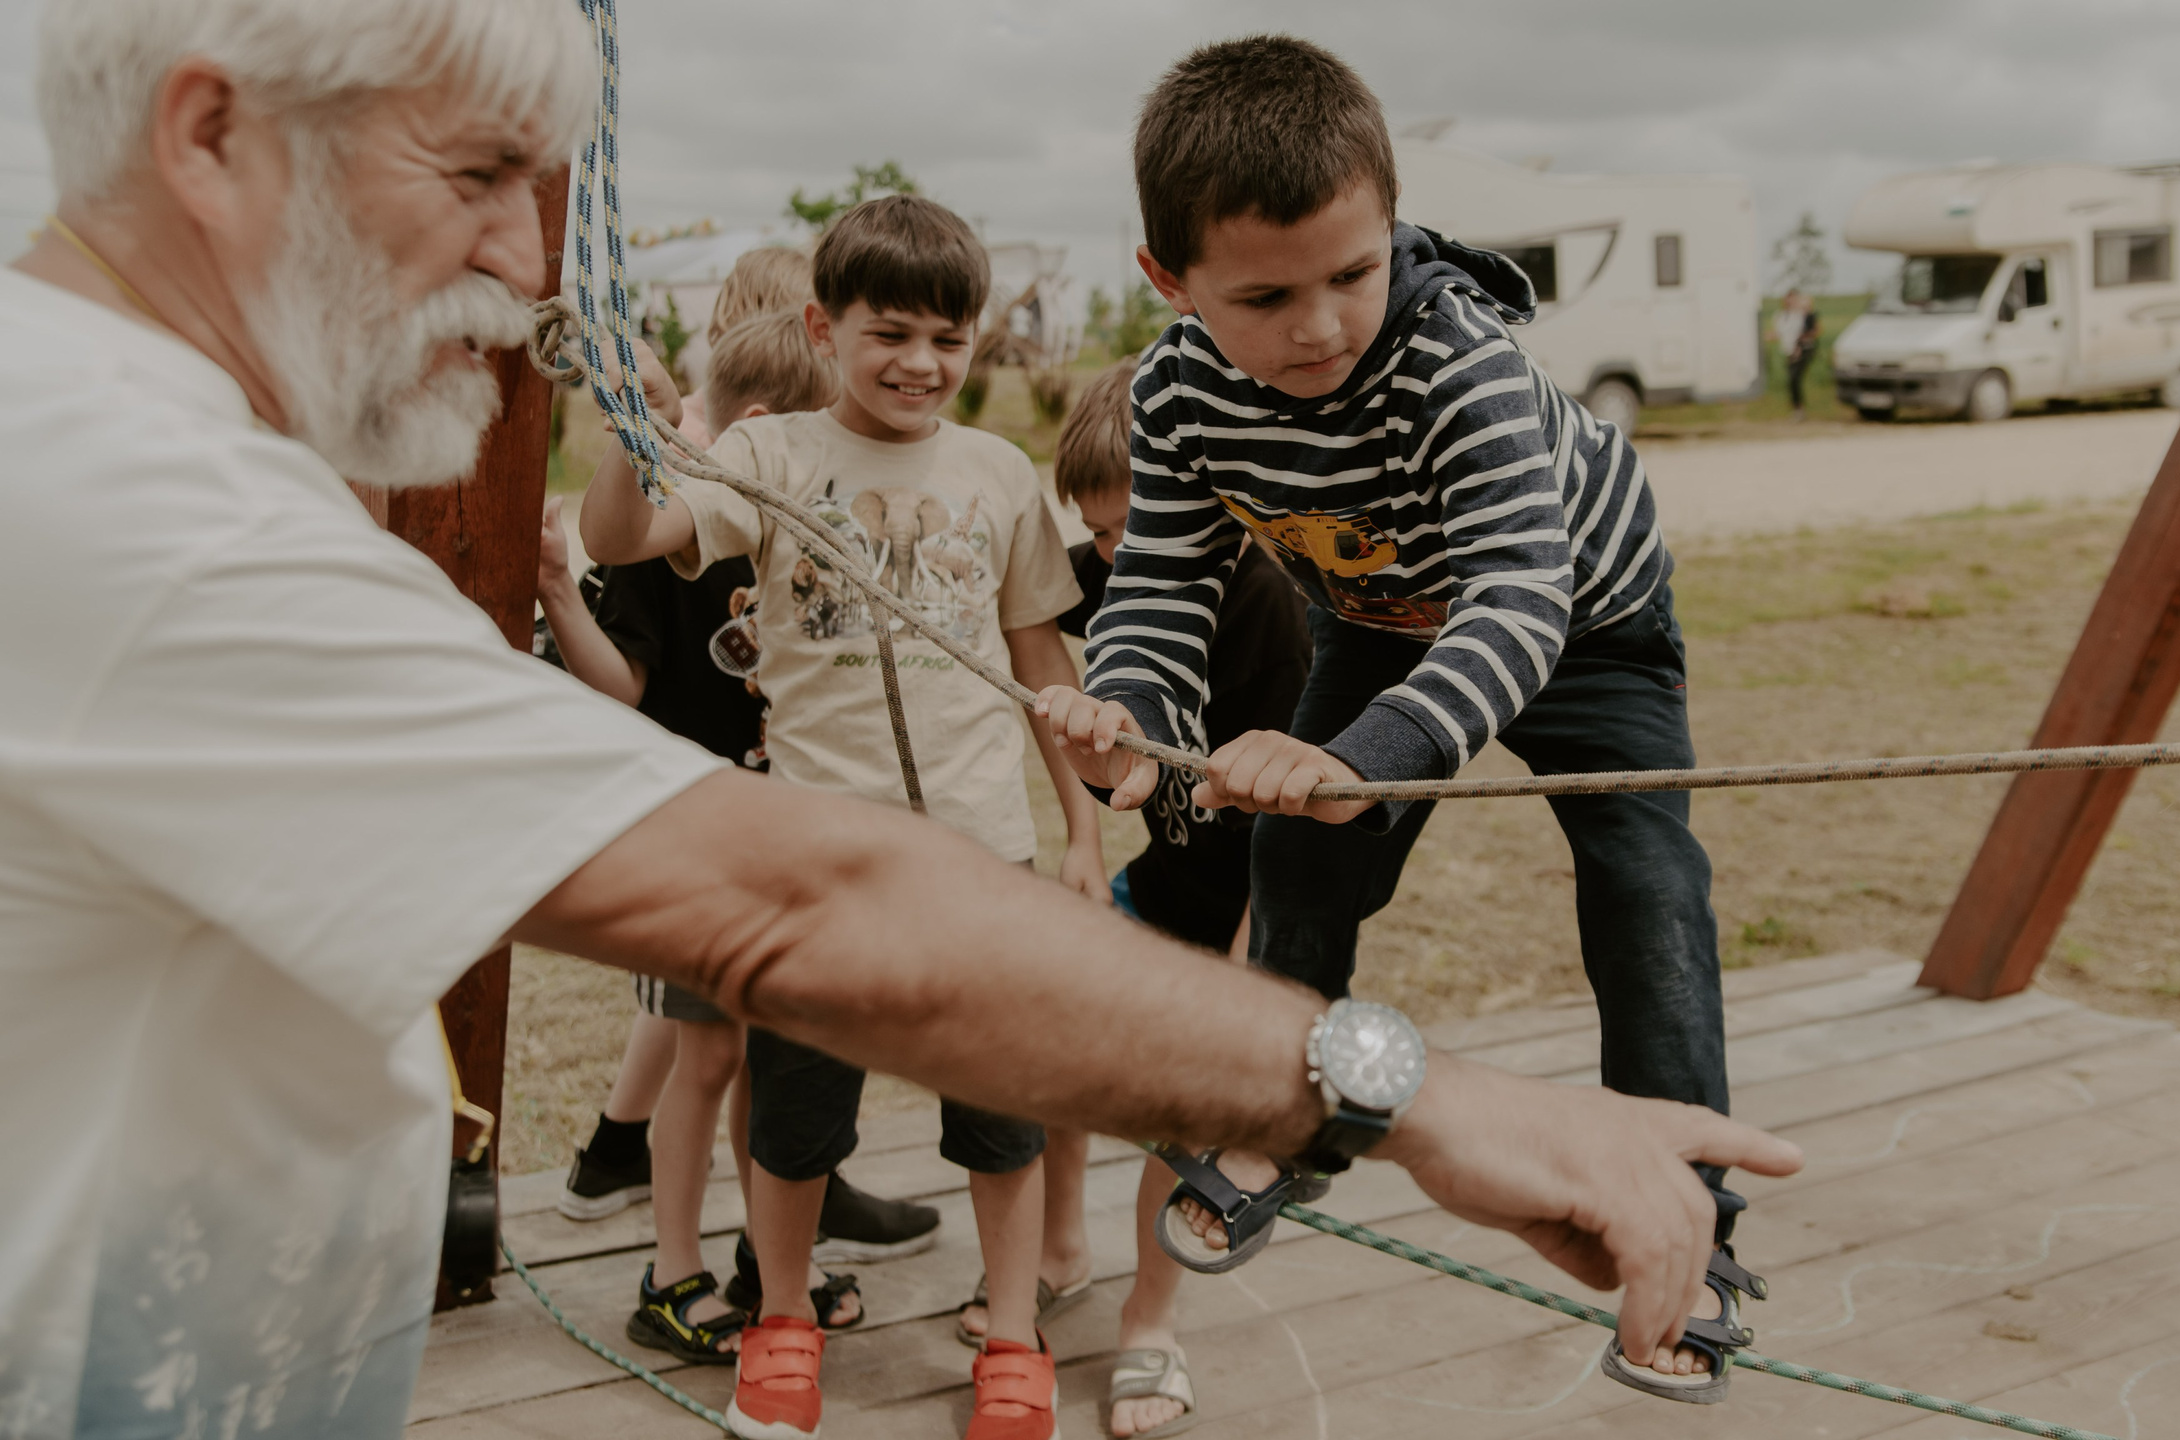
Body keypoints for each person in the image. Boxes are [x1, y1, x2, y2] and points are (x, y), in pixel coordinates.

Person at [0, 3, 1801, 1434]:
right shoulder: (120, 509)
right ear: (212, 134)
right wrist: (1407, 1093)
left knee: (1642, 873)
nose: (517, 259)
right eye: (477, 172)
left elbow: (1494, 594)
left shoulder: (137, 462)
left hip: (1550, 623)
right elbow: (807, 901)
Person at [1037, 35, 1763, 1406]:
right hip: (1384, 623)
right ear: (1169, 281)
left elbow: (1520, 601)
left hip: (1581, 622)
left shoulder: (1452, 355)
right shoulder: (1178, 399)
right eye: (1265, 295)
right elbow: (1164, 587)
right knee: (1299, 865)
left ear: (1389, 231)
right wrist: (1128, 716)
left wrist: (1355, 760)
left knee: (1643, 884)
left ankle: (1694, 1217)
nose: (1321, 325)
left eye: (1353, 274)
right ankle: (1283, 1124)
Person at [580, 194, 1115, 1440]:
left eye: (948, 338)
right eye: (890, 335)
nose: (920, 364)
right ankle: (779, 1320)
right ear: (824, 329)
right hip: (819, 868)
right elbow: (628, 533)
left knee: (1001, 1120)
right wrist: (633, 433)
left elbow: (1041, 663)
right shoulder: (769, 460)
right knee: (797, 1118)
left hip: (985, 864)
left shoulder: (997, 474)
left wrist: (1083, 840)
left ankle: (1014, 1335)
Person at [1049, 357, 1314, 1437]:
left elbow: (1295, 852)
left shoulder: (1279, 624)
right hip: (1151, 881)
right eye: (1098, 534)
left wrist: (1252, 978)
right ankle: (1060, 1242)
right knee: (1049, 1060)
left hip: (1246, 909)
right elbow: (1022, 602)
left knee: (1189, 1123)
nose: (1112, 560)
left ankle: (1150, 1319)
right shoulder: (1110, 568)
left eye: (1132, 534)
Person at [1771, 288, 1820, 419]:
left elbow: (1811, 330)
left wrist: (1799, 347)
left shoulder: (1802, 314)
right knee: (1792, 380)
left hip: (1801, 350)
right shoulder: (1780, 315)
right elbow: (1780, 333)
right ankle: (1797, 408)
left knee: (1794, 378)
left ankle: (1799, 410)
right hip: (1789, 351)